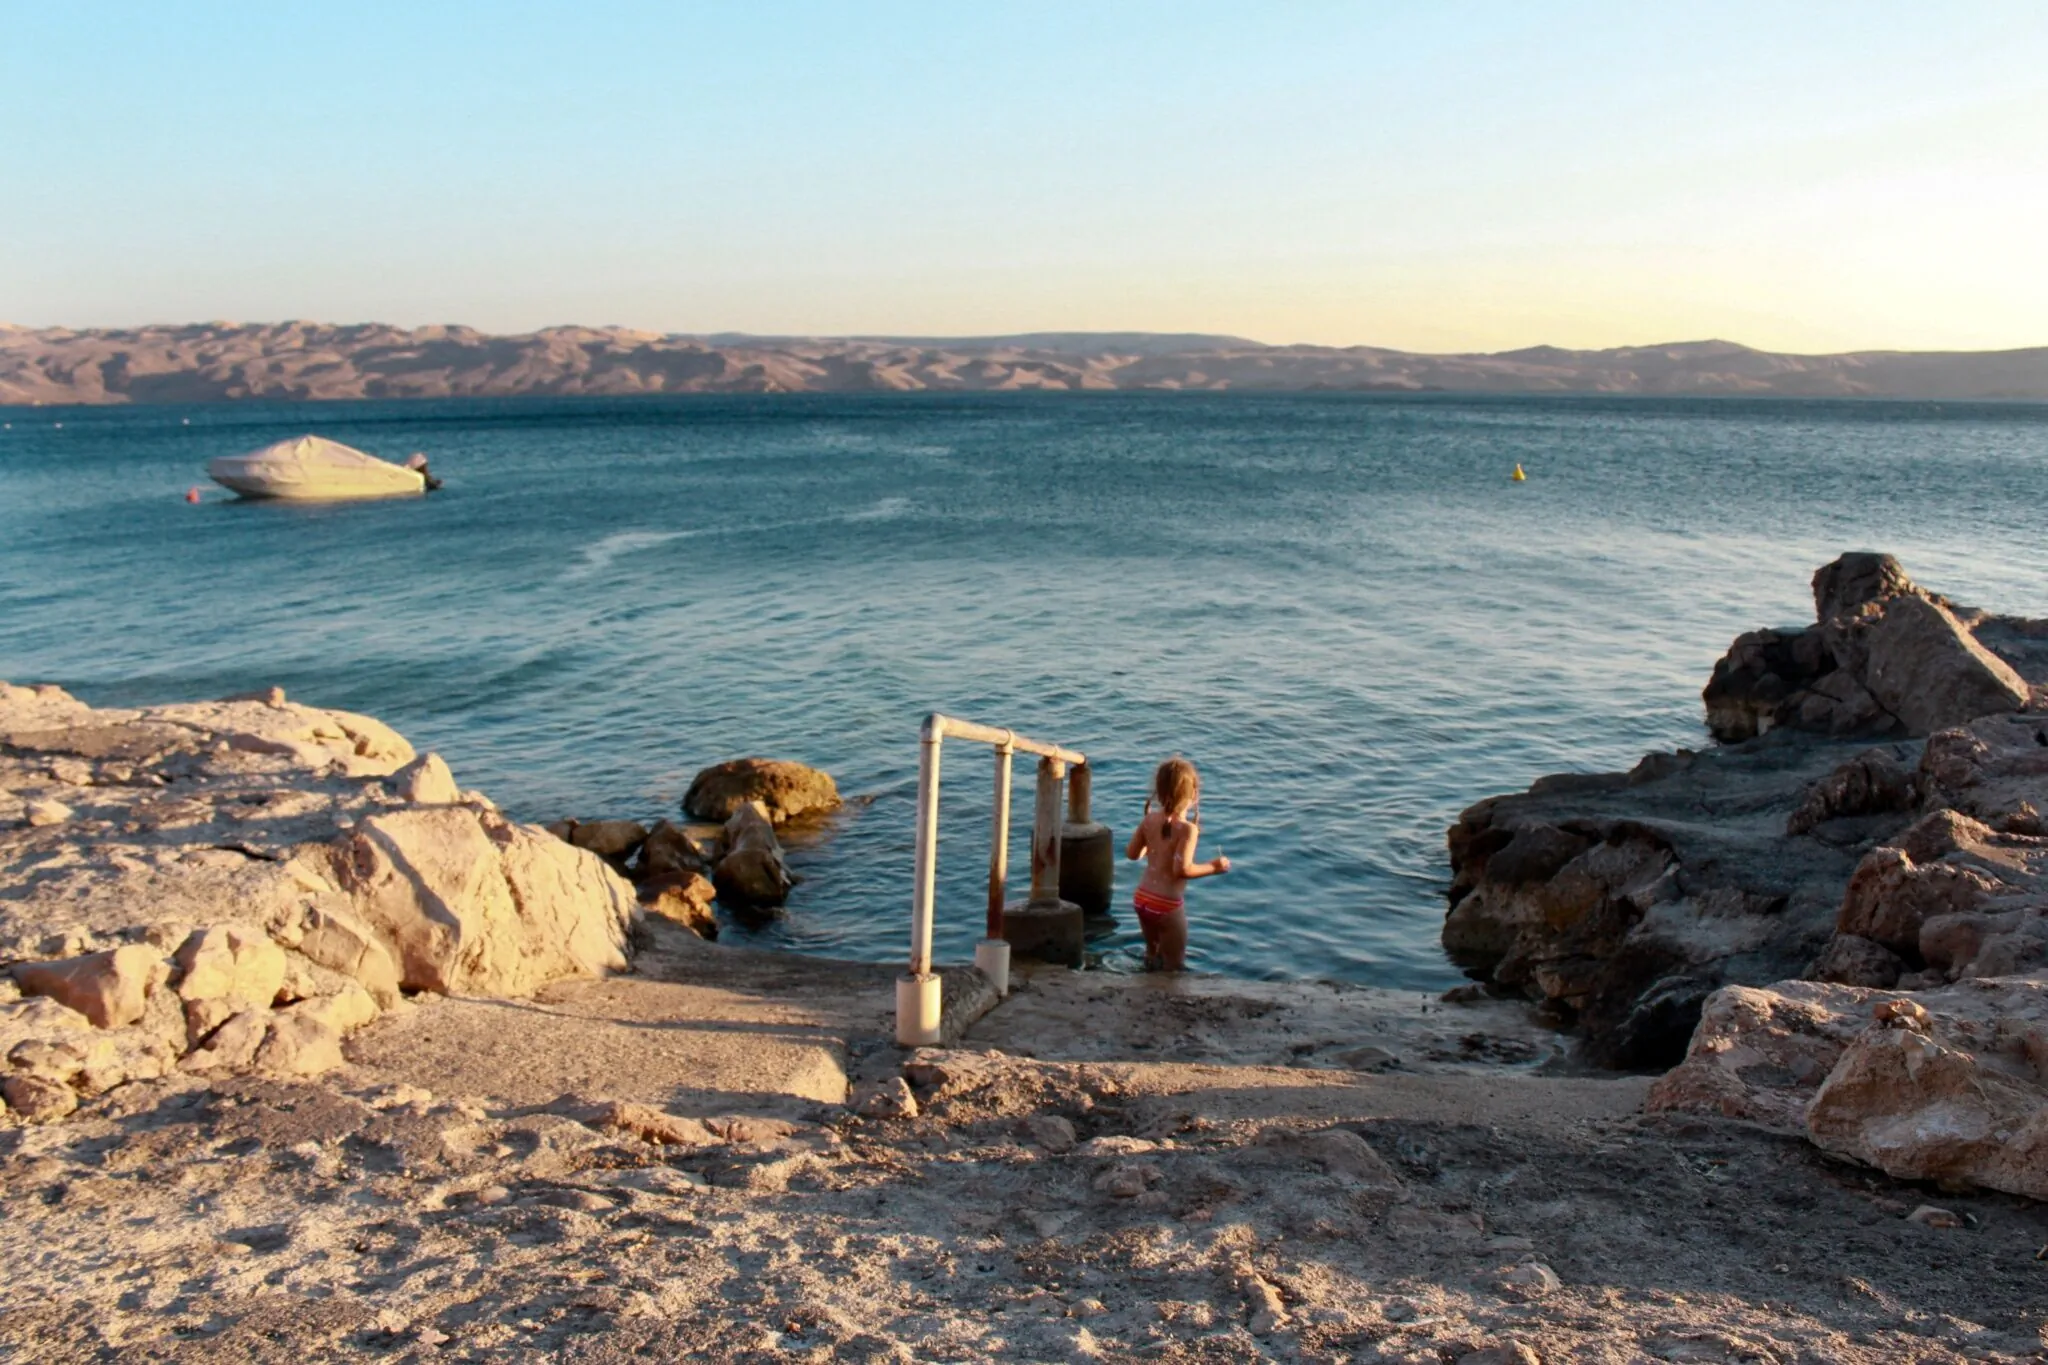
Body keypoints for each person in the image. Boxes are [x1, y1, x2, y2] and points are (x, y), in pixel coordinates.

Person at [1125, 757, 1230, 971]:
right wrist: (1215, 867)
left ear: (1158, 792)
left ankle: (1144, 984)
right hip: (1167, 904)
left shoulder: (1149, 820)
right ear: (1194, 795)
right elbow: (1182, 870)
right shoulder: (1187, 829)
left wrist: (1151, 846)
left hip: (1143, 899)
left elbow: (1132, 854)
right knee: (1174, 965)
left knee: (1152, 953)